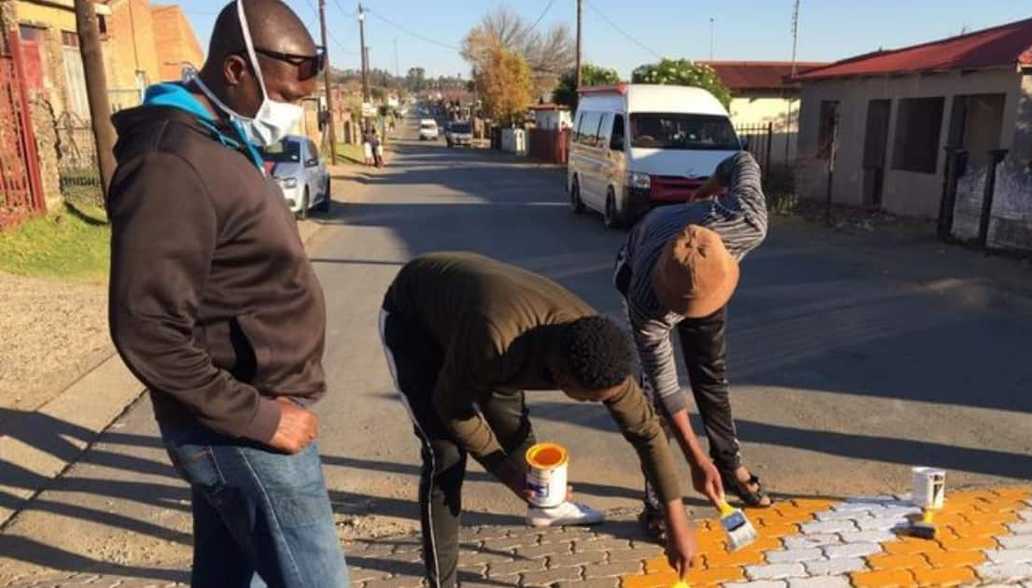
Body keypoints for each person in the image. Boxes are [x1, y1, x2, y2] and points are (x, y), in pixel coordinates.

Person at [106, 1, 349, 586]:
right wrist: (262, 420)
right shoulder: (171, 160)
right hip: (243, 429)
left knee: (229, 576)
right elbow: (146, 327)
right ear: (236, 70)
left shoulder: (215, 137)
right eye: (287, 96)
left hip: (244, 422)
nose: (293, 110)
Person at [379, 252, 698, 588]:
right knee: (445, 455)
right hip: (414, 321)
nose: (604, 404)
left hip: (480, 325)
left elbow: (647, 433)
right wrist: (510, 475)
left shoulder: (600, 348)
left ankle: (546, 506)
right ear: (561, 380)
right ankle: (442, 583)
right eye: (593, 399)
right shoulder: (496, 343)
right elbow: (452, 409)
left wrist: (676, 521)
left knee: (511, 423)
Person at [614, 151, 771, 540]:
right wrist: (694, 459)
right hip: (643, 256)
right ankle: (660, 501)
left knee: (710, 375)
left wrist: (704, 191)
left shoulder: (746, 220)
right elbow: (668, 390)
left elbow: (742, 160)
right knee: (654, 402)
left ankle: (730, 465)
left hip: (704, 259)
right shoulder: (646, 302)